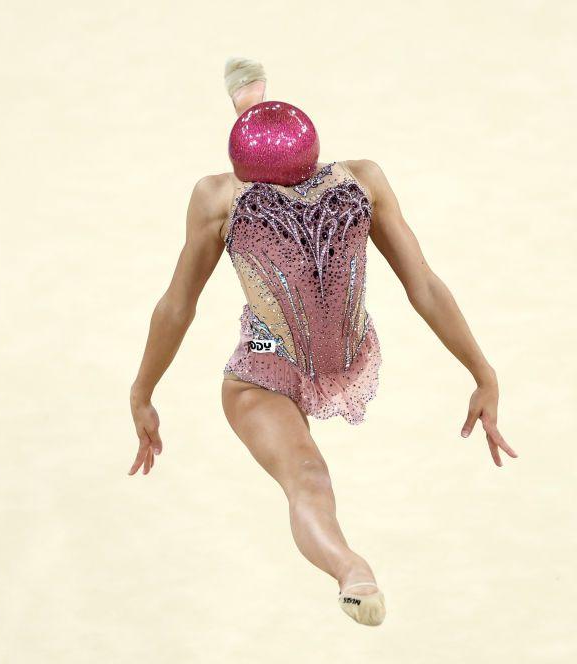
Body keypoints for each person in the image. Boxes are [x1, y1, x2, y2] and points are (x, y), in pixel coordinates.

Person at [128, 57, 519, 627]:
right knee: (308, 477)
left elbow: (425, 286)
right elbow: (177, 304)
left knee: (269, 141)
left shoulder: (360, 182)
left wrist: (483, 372)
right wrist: (143, 390)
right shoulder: (221, 199)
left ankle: (251, 102)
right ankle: (351, 569)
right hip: (264, 373)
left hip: (341, 354)